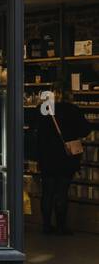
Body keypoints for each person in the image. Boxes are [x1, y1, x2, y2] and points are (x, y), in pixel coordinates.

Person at [31, 96, 92, 235]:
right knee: (62, 191)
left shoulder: (44, 109)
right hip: (66, 157)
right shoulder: (72, 109)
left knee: (47, 192)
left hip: (47, 157)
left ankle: (46, 225)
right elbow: (85, 130)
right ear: (68, 94)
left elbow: (33, 128)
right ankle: (61, 226)